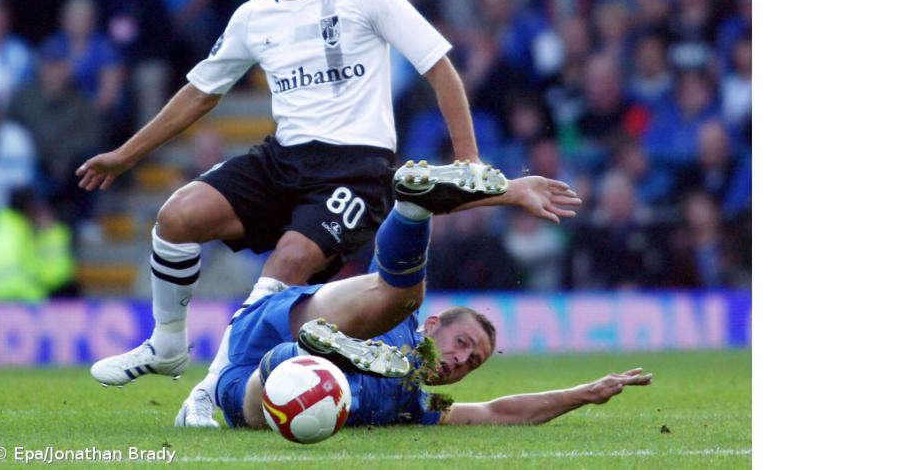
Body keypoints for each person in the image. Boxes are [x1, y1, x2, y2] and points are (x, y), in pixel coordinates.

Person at [77, 0, 485, 426]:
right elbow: (200, 92)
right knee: (176, 218)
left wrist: (468, 158)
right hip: (283, 158)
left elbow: (438, 66)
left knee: (287, 264)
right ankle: (168, 343)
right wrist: (126, 155)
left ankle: (209, 390)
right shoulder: (252, 18)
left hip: (355, 170)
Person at [196, 167, 649, 429]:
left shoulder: (416, 404)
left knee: (276, 399)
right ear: (433, 326)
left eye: (473, 363)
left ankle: (304, 358)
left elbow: (495, 412)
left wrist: (581, 394)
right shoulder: (405, 324)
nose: (461, 360)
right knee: (395, 296)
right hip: (286, 318)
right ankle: (413, 209)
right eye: (463, 344)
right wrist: (508, 193)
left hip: (255, 380)